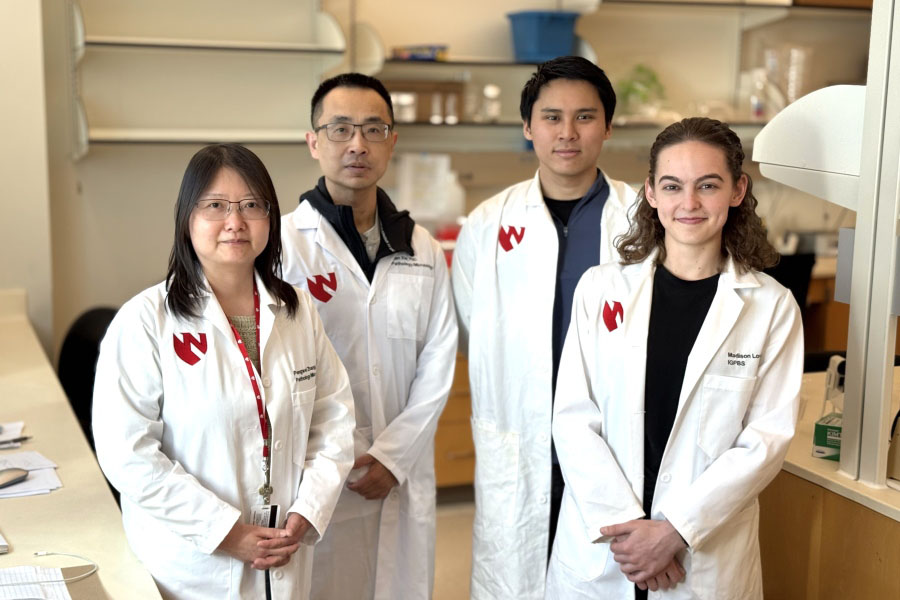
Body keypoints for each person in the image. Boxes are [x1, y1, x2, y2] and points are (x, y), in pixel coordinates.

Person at [545, 117, 804, 599]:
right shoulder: (600, 290)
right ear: (651, 193)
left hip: (700, 554)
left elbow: (765, 441)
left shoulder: (771, 307)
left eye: (708, 185)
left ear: (737, 189)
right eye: (672, 186)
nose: (688, 203)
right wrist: (629, 532)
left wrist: (674, 532)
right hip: (607, 548)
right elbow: (573, 419)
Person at [93, 143, 355, 600]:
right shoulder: (144, 321)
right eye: (215, 206)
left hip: (284, 553)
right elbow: (127, 453)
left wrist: (308, 510)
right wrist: (226, 532)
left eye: (252, 205)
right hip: (192, 568)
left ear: (270, 219)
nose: (235, 222)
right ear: (186, 218)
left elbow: (333, 417)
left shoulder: (297, 310)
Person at [451, 55, 637, 598]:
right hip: (519, 433)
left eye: (585, 117)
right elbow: (469, 321)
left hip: (610, 436)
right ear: (528, 126)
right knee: (517, 571)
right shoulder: (488, 224)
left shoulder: (642, 221)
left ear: (607, 125)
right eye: (552, 117)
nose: (568, 133)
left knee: (601, 573)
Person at [280, 73, 458, 600]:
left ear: (392, 141)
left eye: (373, 129)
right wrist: (346, 455)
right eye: (340, 129)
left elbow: (439, 358)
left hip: (399, 475)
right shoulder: (284, 246)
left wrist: (392, 457)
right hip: (318, 474)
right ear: (314, 142)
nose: (357, 144)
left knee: (398, 585)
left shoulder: (421, 247)